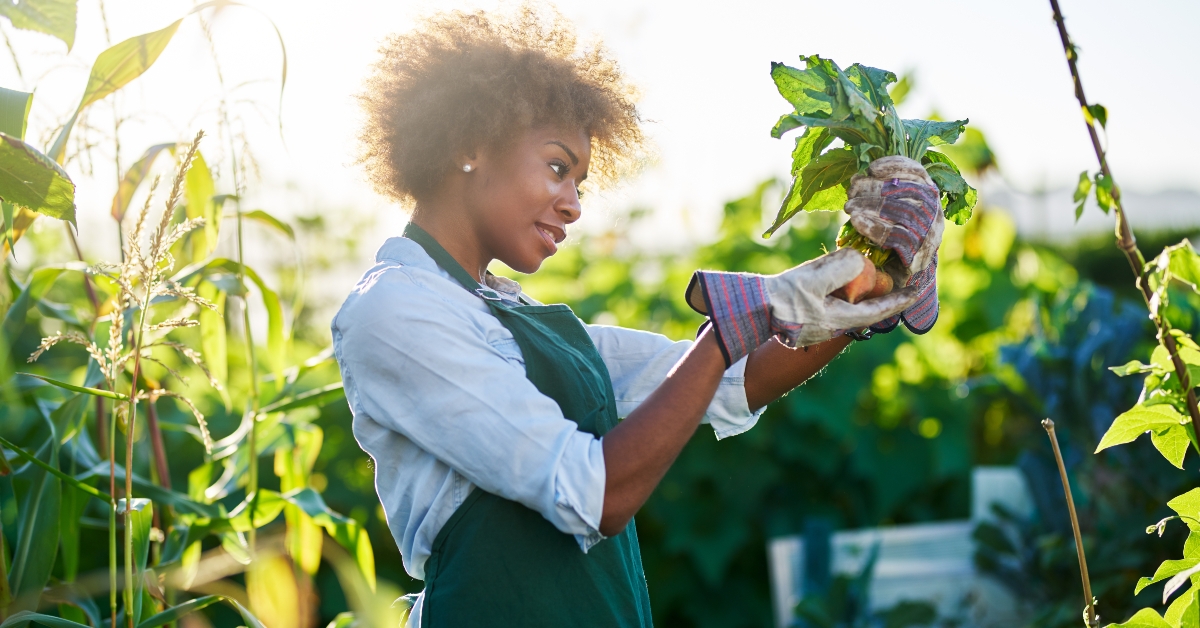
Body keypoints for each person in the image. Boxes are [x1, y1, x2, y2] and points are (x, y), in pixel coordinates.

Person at [333, 7, 942, 627]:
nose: (572, 206)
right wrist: (735, 324)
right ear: (469, 144)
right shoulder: (395, 310)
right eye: (556, 167)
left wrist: (869, 284)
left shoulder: (520, 320)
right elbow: (592, 495)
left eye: (581, 182)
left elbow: (734, 378)